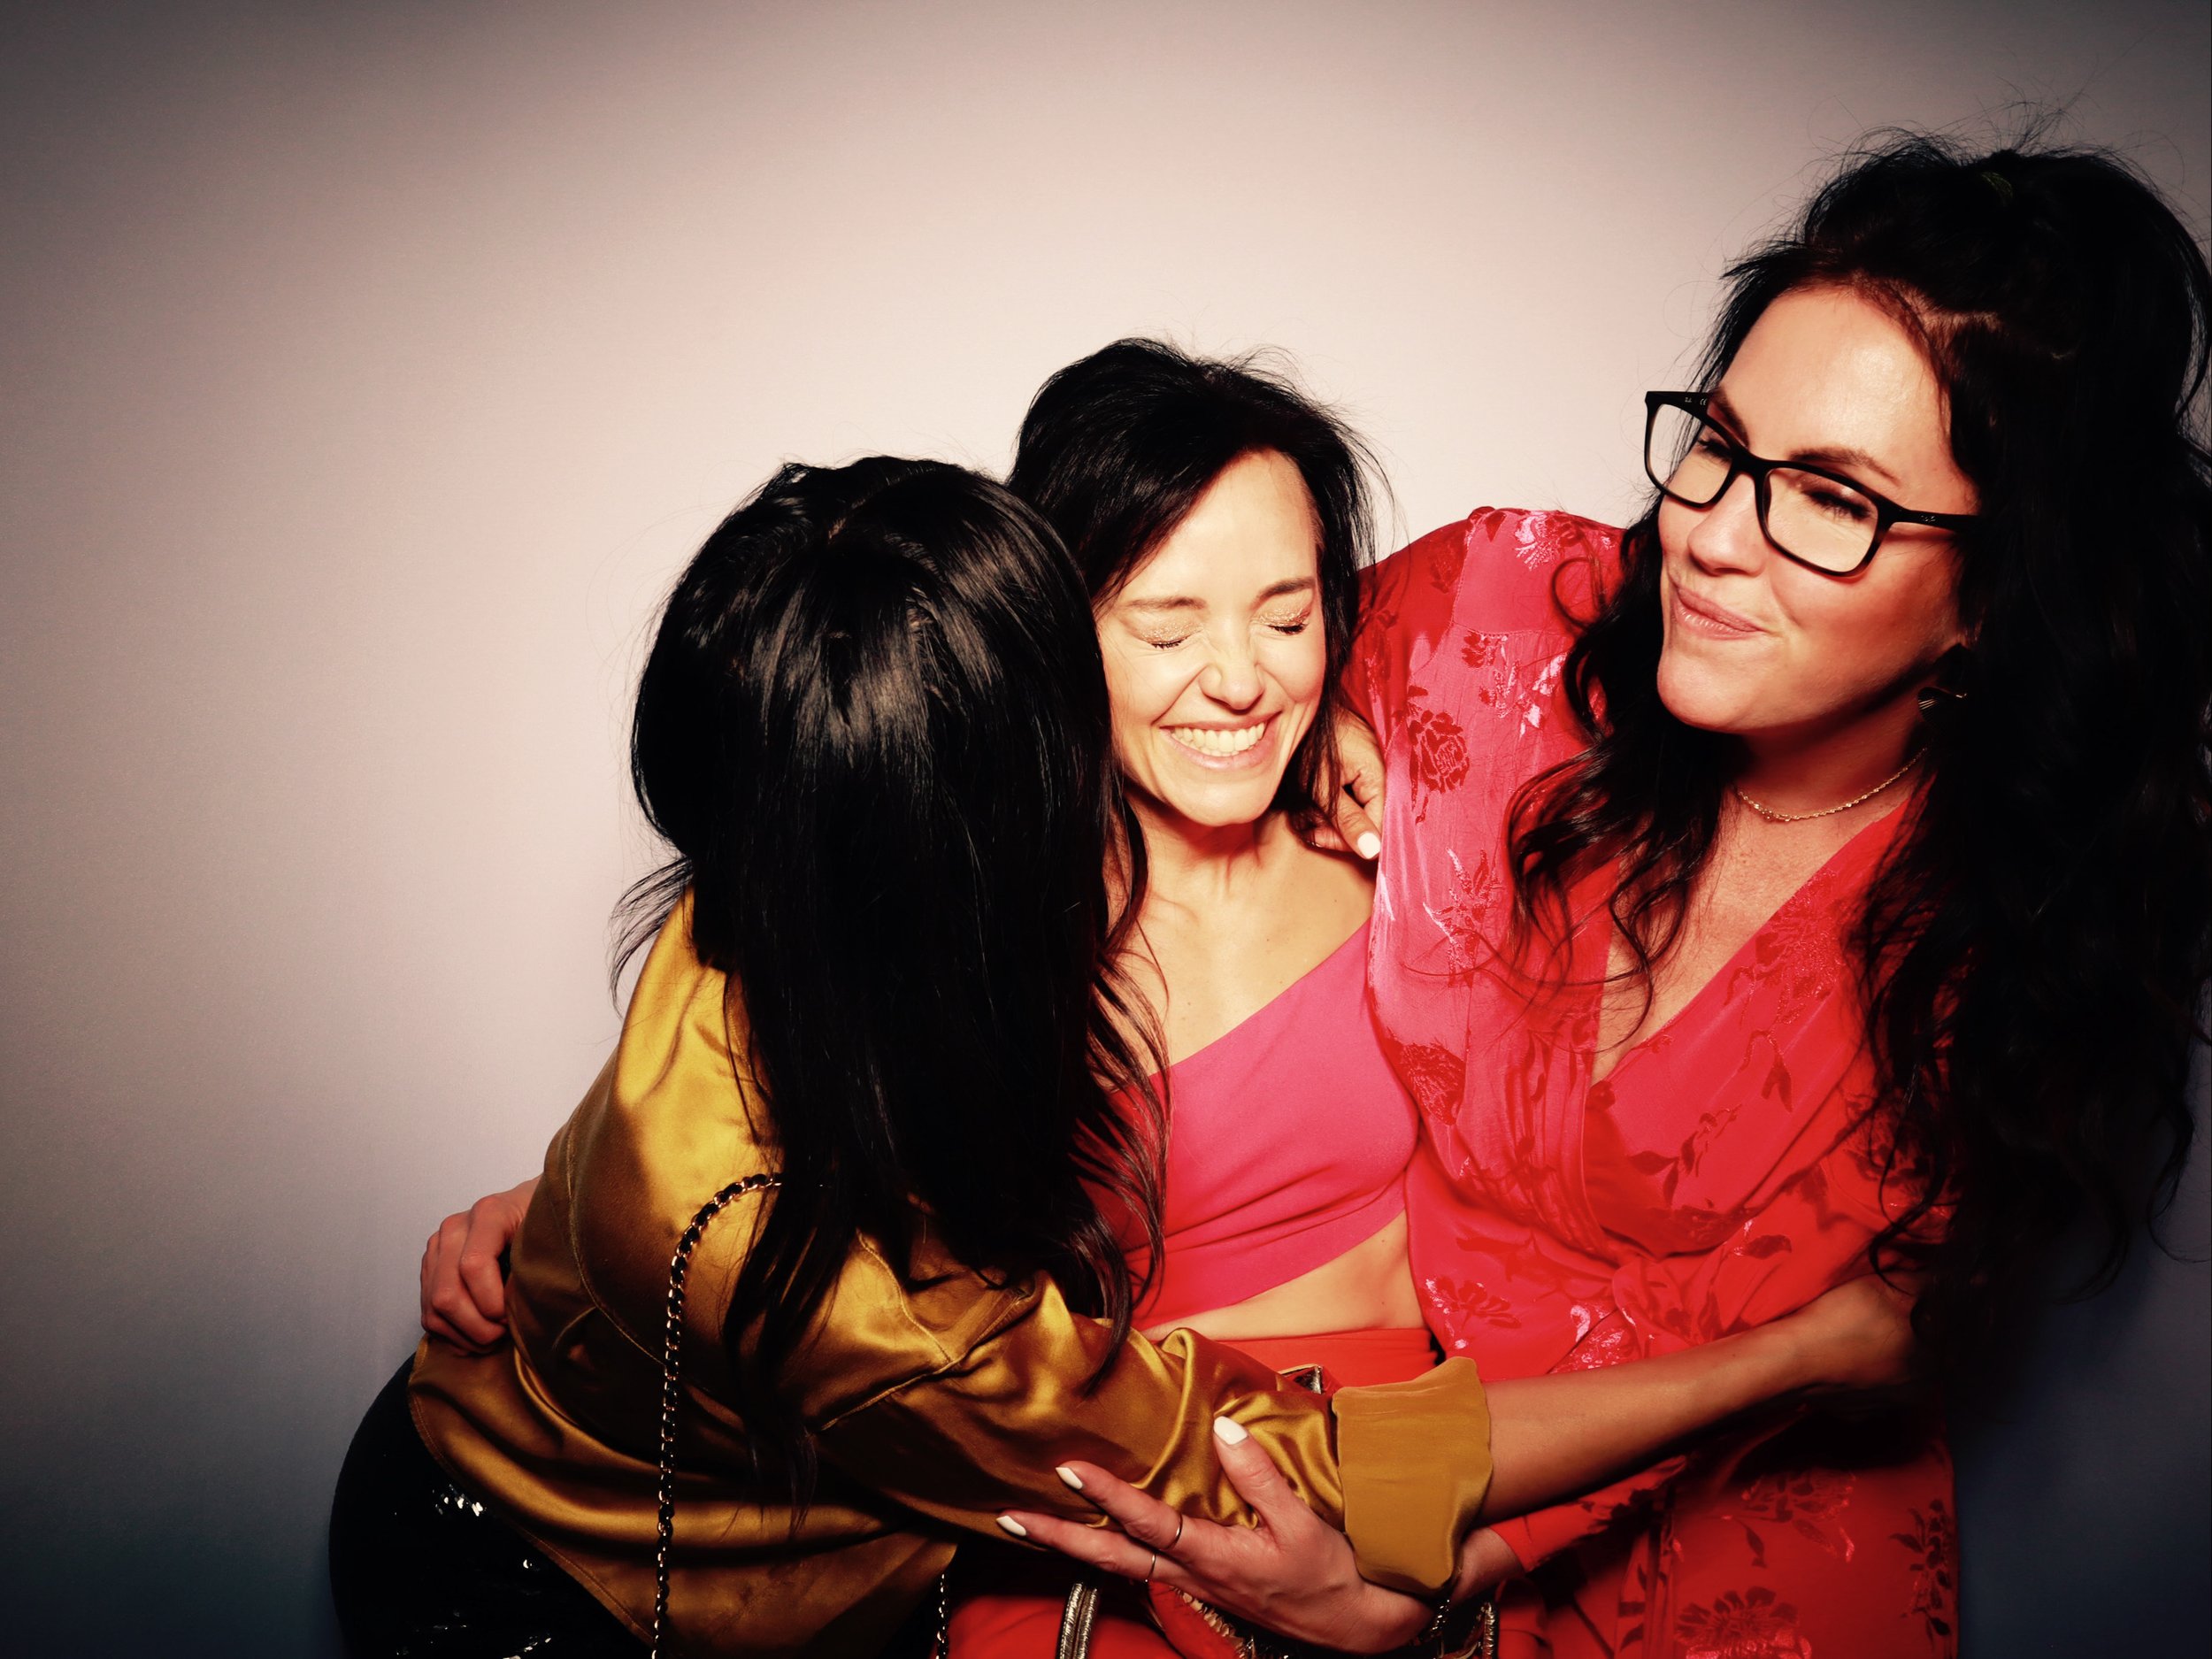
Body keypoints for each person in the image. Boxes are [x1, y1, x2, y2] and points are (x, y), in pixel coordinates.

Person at [408, 355, 1921, 1656]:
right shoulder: (954, 908)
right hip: (622, 1570)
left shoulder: (1404, 788)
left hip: (1443, 1418)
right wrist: (603, 1246)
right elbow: (1239, 1457)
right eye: (1161, 619)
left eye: (1288, 613)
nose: (1240, 674)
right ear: (1057, 645)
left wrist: (562, 1237)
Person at [1010, 135, 2212, 1657]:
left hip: (1717, 1554)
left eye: (1830, 499)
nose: (1709, 533)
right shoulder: (1487, 620)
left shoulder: (2007, 949)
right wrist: (1314, 727)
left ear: (1997, 596)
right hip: (1360, 1452)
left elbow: (1815, 1355)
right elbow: (1184, 682)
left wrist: (1430, 1574)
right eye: (1718, 443)